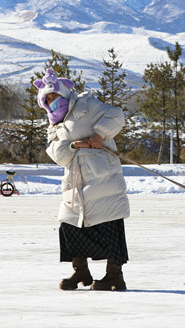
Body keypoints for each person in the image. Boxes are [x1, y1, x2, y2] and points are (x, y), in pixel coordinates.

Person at [33, 68, 130, 291]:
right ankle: (81, 271)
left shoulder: (85, 105)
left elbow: (116, 115)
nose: (53, 101)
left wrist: (98, 134)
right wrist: (74, 145)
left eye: (55, 96)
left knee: (108, 224)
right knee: (70, 225)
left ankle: (115, 276)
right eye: (48, 99)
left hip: (102, 178)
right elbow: (57, 154)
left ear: (65, 93)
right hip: (75, 182)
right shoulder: (54, 125)